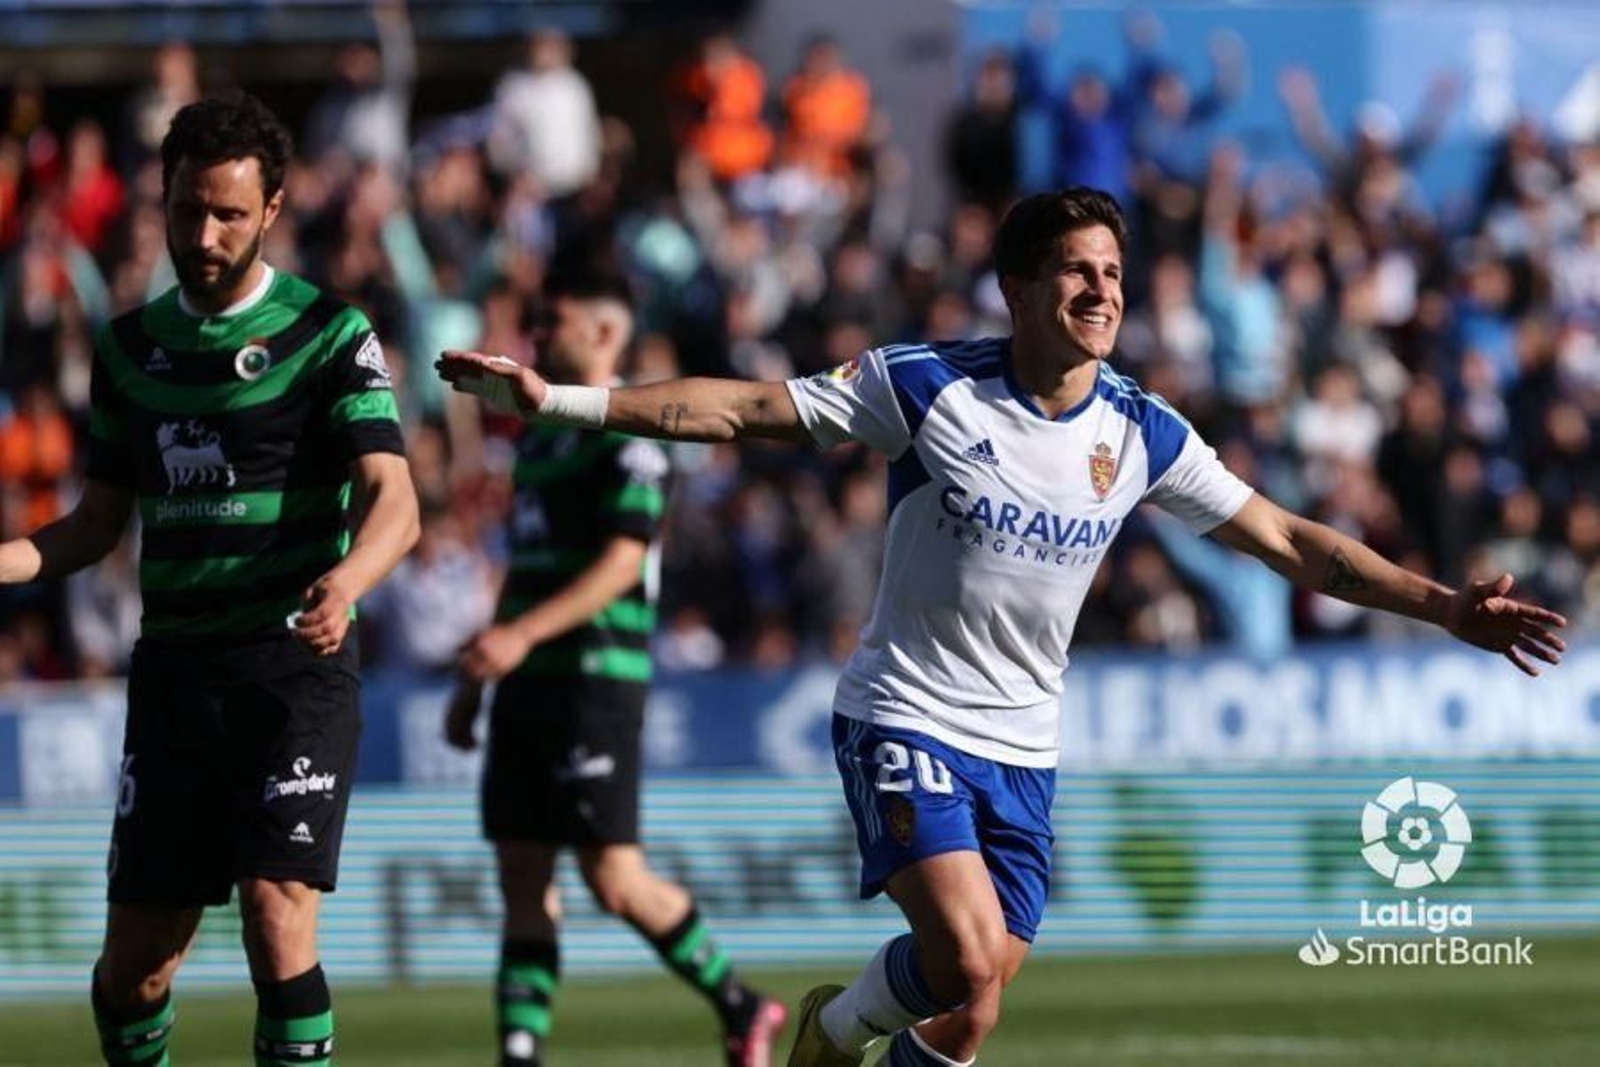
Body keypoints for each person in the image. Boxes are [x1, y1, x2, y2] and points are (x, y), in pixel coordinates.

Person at [437, 188, 1567, 1067]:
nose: (1100, 290)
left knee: (969, 1002)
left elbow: (1288, 540)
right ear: (1019, 288)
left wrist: (1442, 607)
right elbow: (739, 408)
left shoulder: (1141, 431)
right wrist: (563, 399)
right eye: (1075, 270)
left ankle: (835, 1030)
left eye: (1112, 272)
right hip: (903, 710)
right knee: (969, 951)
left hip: (1024, 744)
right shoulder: (926, 386)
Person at [0, 93, 420, 1066]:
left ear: (272, 208)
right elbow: (92, 527)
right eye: (188, 208)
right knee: (136, 966)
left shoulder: (327, 331)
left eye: (228, 212)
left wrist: (348, 578)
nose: (204, 232)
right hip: (177, 678)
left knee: (277, 918)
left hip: (293, 665)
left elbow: (395, 498)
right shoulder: (128, 349)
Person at [441, 270, 787, 1067]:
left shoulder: (632, 428)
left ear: (603, 332)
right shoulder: (538, 436)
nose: (534, 329)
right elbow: (526, 569)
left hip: (596, 675)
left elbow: (623, 562)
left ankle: (741, 1004)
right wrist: (476, 680)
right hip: (525, 676)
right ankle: (519, 1054)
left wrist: (520, 637)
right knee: (522, 870)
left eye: (550, 317)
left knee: (613, 877)